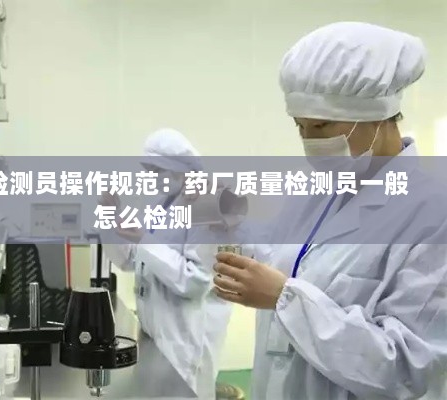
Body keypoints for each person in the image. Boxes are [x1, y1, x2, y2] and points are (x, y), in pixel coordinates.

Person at [213, 22, 447, 399]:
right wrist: (228, 227)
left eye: (321, 126)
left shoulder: (432, 215)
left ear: (377, 114)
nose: (310, 143)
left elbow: (407, 367)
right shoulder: (318, 191)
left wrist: (285, 299)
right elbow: (279, 255)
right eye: (300, 127)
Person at [100, 128, 233, 398]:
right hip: (155, 335)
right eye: (147, 169)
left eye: (156, 170)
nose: (150, 176)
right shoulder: (161, 204)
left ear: (177, 169)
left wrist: (144, 240)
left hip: (186, 343)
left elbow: (195, 281)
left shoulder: (204, 207)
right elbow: (130, 260)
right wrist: (109, 219)